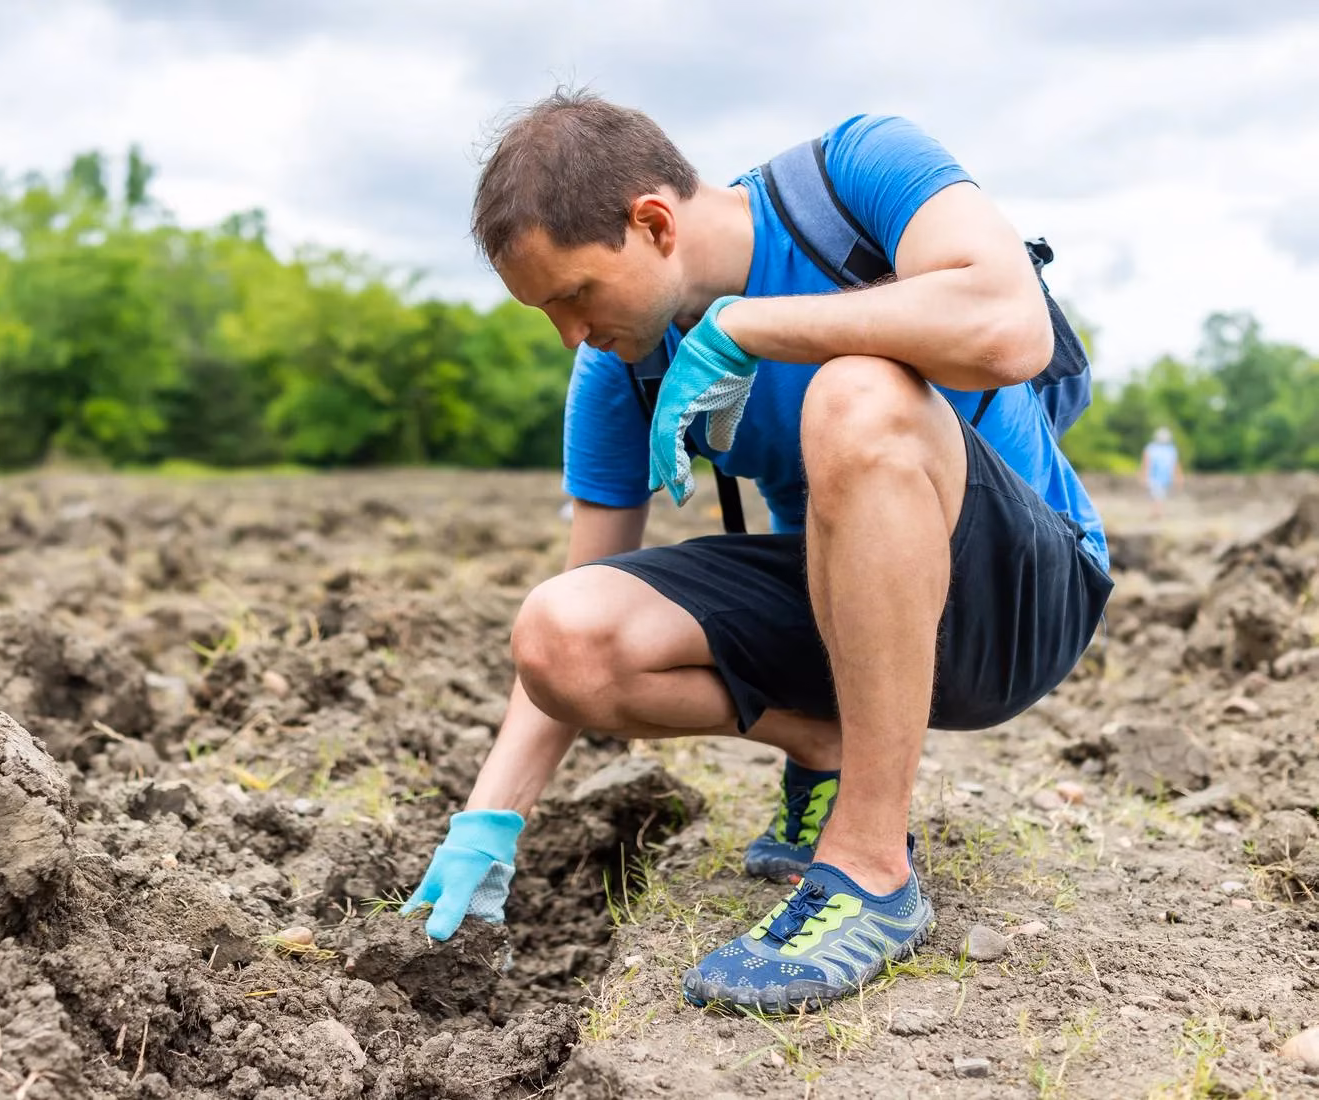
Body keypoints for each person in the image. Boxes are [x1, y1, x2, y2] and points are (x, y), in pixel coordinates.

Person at [402, 88, 1114, 1015]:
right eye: (548, 312)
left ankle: (870, 872)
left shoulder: (858, 171)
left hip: (1018, 600)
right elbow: (579, 604)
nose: (571, 333)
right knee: (560, 632)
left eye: (575, 294)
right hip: (848, 617)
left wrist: (748, 327)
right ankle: (822, 740)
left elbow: (1006, 327)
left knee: (857, 393)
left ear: (653, 222)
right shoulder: (621, 365)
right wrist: (486, 821)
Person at [1141, 427, 1182, 517]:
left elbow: (1175, 464)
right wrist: (1144, 475)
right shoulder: (1151, 448)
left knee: (1160, 495)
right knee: (1156, 494)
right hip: (1153, 476)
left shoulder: (1171, 449)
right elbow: (1146, 463)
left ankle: (1157, 512)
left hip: (1166, 477)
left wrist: (1178, 476)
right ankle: (1157, 512)